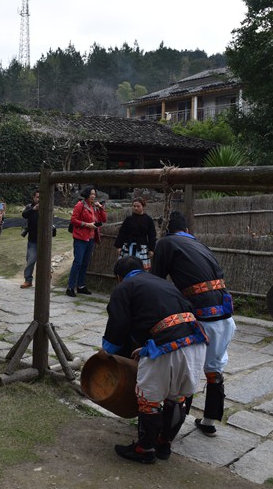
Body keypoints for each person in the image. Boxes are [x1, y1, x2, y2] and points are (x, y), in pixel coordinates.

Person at [104, 257, 207, 464]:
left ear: (118, 276)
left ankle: (145, 449)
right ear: (143, 269)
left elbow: (119, 324)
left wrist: (107, 353)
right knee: (176, 395)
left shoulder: (125, 287)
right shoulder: (162, 282)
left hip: (165, 347)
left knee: (148, 397)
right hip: (196, 342)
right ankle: (164, 444)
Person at [152, 211, 236, 437]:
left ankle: (168, 433)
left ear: (165, 231)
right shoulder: (200, 245)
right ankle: (209, 421)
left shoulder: (166, 243)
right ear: (187, 230)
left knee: (184, 373)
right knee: (214, 370)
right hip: (225, 318)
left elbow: (157, 282)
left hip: (201, 320)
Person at [66, 186, 107, 297]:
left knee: (85, 263)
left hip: (91, 238)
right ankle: (70, 287)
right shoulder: (80, 205)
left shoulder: (94, 206)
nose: (93, 196)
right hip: (80, 237)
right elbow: (73, 220)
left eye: (94, 194)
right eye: (92, 194)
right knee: (78, 262)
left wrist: (101, 208)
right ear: (87, 194)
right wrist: (86, 224)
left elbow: (103, 219)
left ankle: (81, 286)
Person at [114, 196, 157, 271]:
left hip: (142, 248)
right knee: (125, 268)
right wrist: (119, 246)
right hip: (128, 246)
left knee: (141, 269)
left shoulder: (148, 220)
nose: (136, 208)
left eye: (138, 206)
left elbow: (152, 235)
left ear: (143, 206)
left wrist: (151, 249)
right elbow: (122, 232)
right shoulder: (129, 219)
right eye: (134, 206)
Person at [21, 190, 40, 289]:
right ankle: (28, 280)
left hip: (45, 240)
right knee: (31, 260)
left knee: (45, 261)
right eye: (37, 197)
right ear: (33, 197)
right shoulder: (30, 207)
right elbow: (24, 215)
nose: (39, 199)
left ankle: (43, 280)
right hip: (33, 239)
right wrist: (33, 209)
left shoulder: (47, 207)